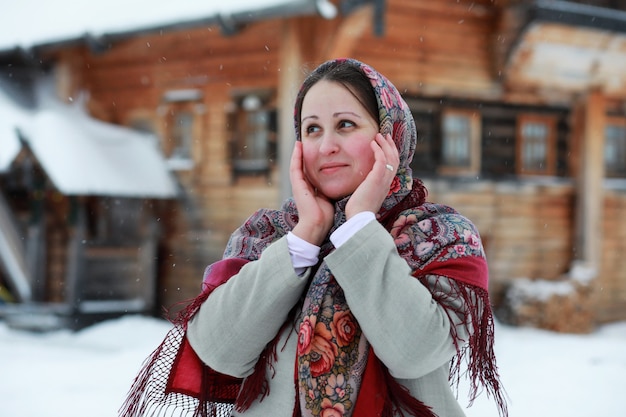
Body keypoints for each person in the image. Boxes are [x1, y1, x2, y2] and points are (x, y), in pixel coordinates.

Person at [120, 58, 507, 417]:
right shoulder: (267, 234)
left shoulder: (439, 235)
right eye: (312, 129)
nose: (326, 146)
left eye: (346, 124)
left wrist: (359, 228)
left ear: (389, 135)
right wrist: (304, 238)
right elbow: (220, 350)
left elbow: (415, 352)